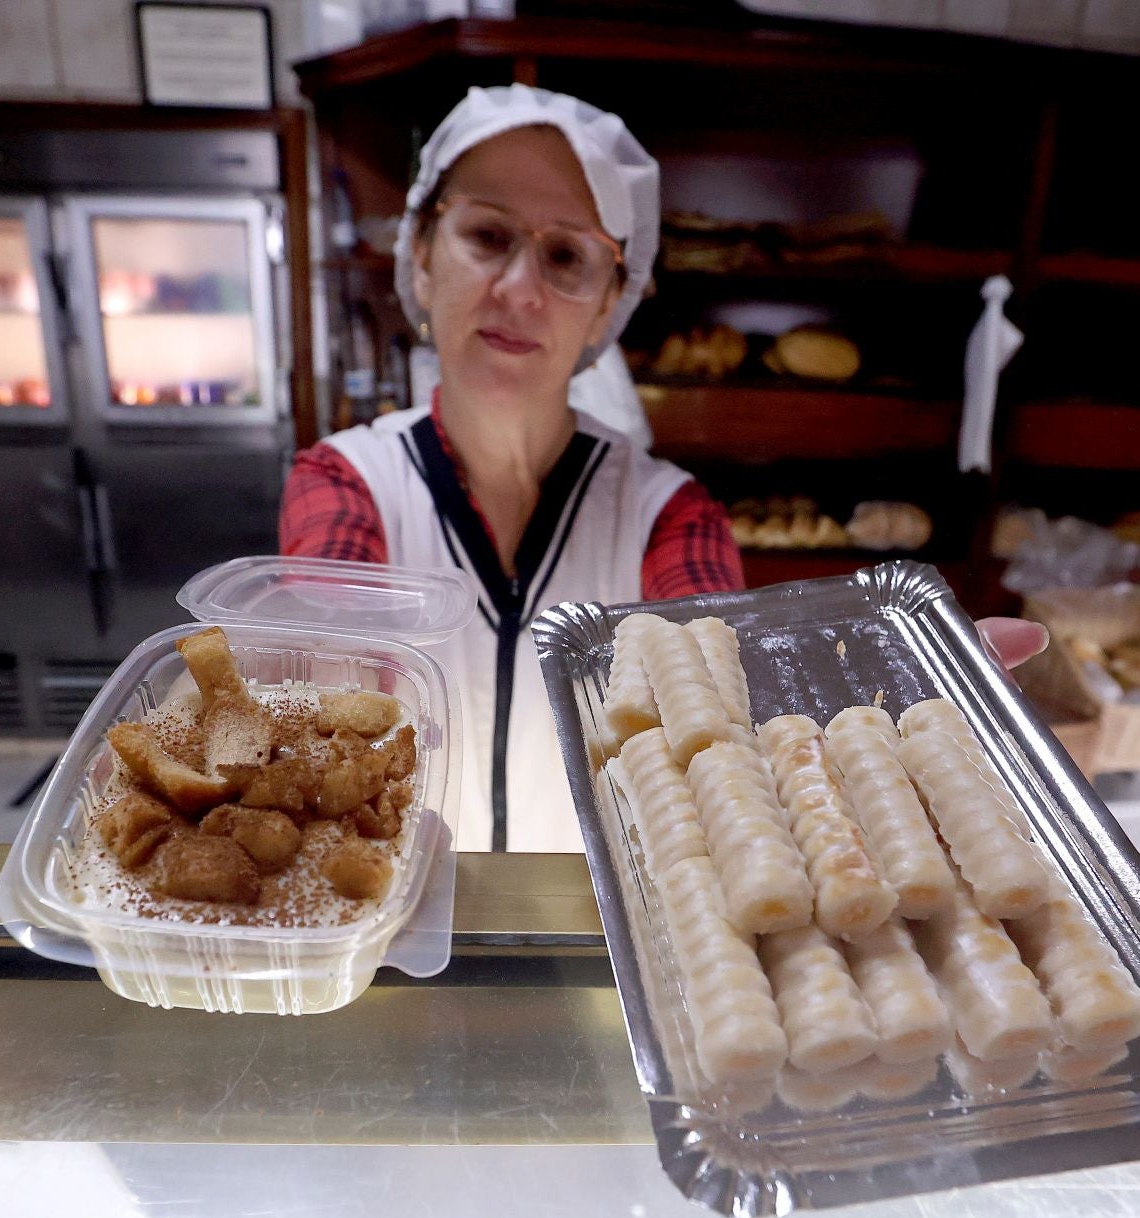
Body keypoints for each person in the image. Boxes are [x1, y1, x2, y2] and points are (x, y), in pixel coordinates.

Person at [281, 85, 1045, 853]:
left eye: (566, 256)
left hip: (606, 943)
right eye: (487, 235)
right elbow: (334, 682)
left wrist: (878, 705)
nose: (519, 288)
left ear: (609, 305)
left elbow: (715, 695)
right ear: (421, 257)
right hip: (388, 918)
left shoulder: (668, 514)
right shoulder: (347, 482)